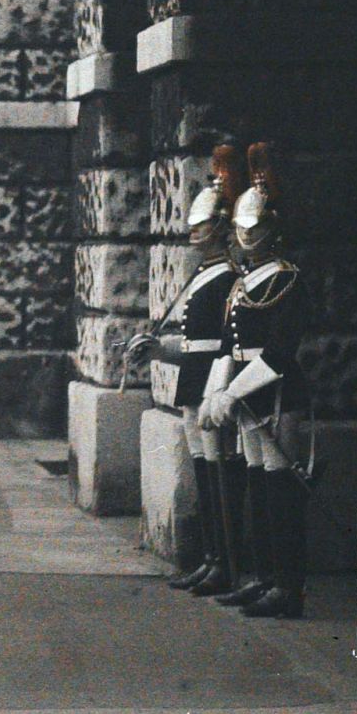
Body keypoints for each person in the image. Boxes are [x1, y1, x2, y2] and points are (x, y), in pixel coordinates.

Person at [127, 143, 245, 593]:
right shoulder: (202, 276)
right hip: (193, 382)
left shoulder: (228, 277)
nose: (194, 232)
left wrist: (221, 389)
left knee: (220, 471)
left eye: (203, 225)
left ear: (220, 229)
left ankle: (227, 563)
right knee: (203, 470)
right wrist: (158, 351)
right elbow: (194, 345)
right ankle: (212, 556)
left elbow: (223, 345)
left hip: (214, 381)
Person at [200, 141, 309, 618]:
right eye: (243, 228)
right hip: (246, 397)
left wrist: (233, 392)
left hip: (277, 393)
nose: (247, 236)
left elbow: (281, 354)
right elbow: (229, 347)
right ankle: (263, 576)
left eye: (255, 227)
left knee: (281, 491)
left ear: (272, 229)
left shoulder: (286, 278)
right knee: (259, 488)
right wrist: (214, 394)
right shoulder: (243, 285)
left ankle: (287, 585)